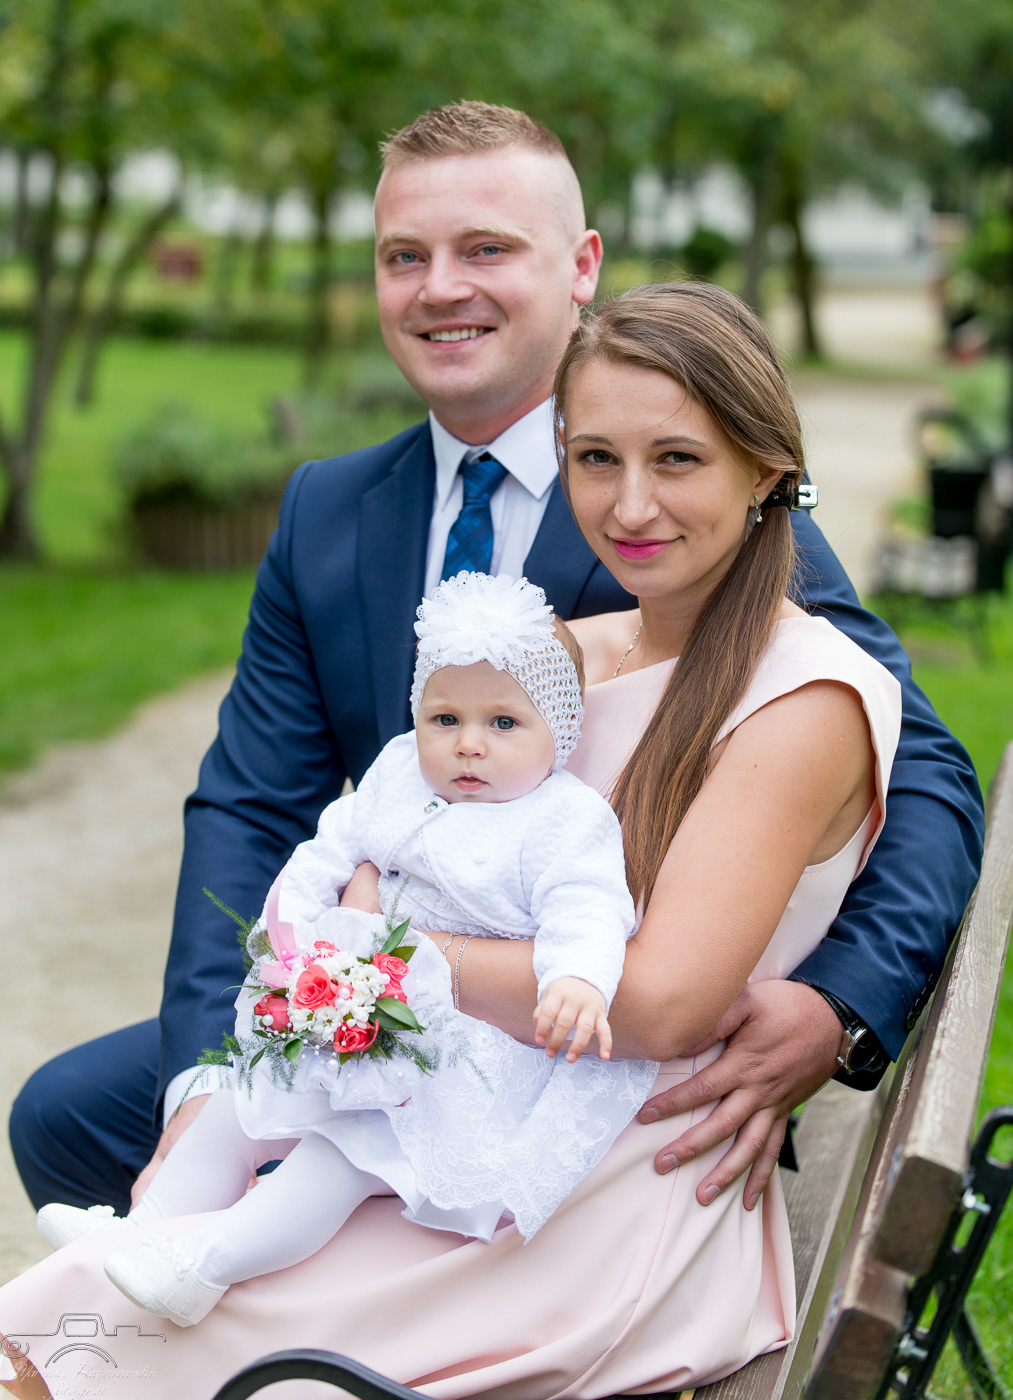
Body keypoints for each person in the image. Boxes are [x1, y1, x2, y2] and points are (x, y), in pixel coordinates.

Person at [11, 100, 982, 1238]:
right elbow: (248, 803)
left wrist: (837, 1004)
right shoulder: (327, 511)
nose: (439, 288)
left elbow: (915, 766)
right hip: (386, 994)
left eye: (485, 249)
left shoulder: (683, 497)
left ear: (580, 268)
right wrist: (207, 1081)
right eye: (403, 257)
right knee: (71, 1114)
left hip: (576, 1038)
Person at [1, 282, 907, 1398]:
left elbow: (659, 1004)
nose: (629, 504)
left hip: (590, 1182)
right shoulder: (564, 653)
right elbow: (403, 830)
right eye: (595, 458)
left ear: (765, 470)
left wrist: (378, 948)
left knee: (90, 1337)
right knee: (89, 1311)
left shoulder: (799, 697)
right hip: (447, 1103)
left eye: (677, 459)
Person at [36, 575, 655, 1330]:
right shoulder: (398, 774)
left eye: (503, 722)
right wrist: (293, 941)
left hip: (464, 1051)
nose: (468, 743)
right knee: (238, 1104)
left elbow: (587, 907)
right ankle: (137, 1234)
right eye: (445, 718)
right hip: (353, 1006)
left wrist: (576, 980)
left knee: (345, 1152)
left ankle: (206, 1263)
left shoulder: (562, 820)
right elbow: (326, 850)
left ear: (558, 731)